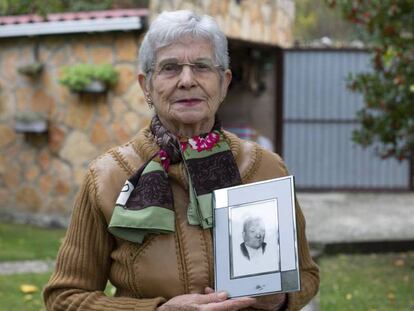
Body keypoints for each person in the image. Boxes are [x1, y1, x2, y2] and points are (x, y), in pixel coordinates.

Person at [44, 10, 319, 311]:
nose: (187, 80)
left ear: (224, 82)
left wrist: (281, 299)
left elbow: (305, 273)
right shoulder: (108, 177)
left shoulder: (266, 168)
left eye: (202, 67)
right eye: (170, 68)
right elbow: (65, 297)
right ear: (146, 86)